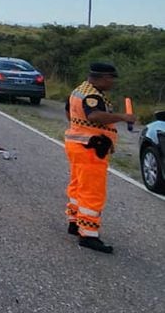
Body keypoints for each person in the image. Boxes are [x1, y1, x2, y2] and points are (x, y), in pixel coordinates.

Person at [64, 63, 135, 253]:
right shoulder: (92, 95)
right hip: (91, 148)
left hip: (77, 144)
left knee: (78, 185)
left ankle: (74, 221)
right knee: (92, 191)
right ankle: (88, 234)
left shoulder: (79, 90)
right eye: (111, 78)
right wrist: (123, 117)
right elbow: (94, 115)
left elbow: (68, 112)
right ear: (103, 77)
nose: (112, 83)